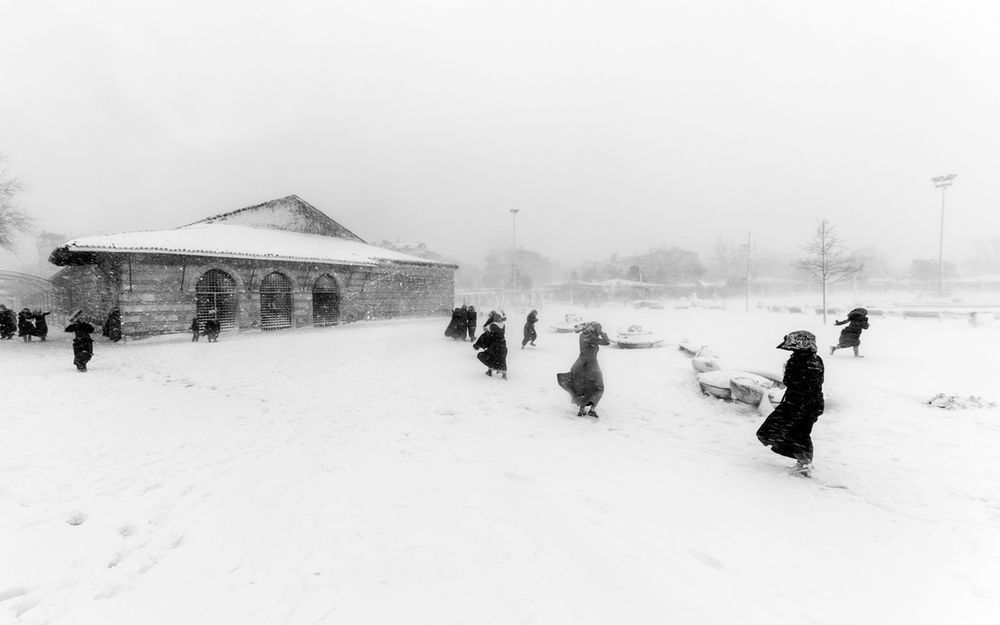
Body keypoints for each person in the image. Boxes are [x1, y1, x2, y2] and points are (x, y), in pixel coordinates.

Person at [756, 330, 825, 475]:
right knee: (802, 433)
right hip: (814, 402)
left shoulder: (796, 360)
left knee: (783, 430)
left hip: (797, 402)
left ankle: (804, 462)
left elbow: (789, 381)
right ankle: (804, 463)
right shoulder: (816, 359)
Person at [557, 321, 611, 417]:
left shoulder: (584, 335)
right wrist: (601, 332)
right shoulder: (590, 337)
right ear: (592, 328)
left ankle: (583, 409)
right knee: (598, 388)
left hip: (582, 365)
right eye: (596, 327)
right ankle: (591, 409)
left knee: (584, 388)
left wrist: (597, 332)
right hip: (589, 366)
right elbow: (606, 342)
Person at [473, 310, 508, 379]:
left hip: (495, 345)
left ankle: (490, 371)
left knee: (489, 357)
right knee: (502, 358)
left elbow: (490, 335)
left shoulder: (493, 325)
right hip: (503, 345)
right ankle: (504, 374)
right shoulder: (503, 325)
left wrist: (487, 333)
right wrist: (504, 313)